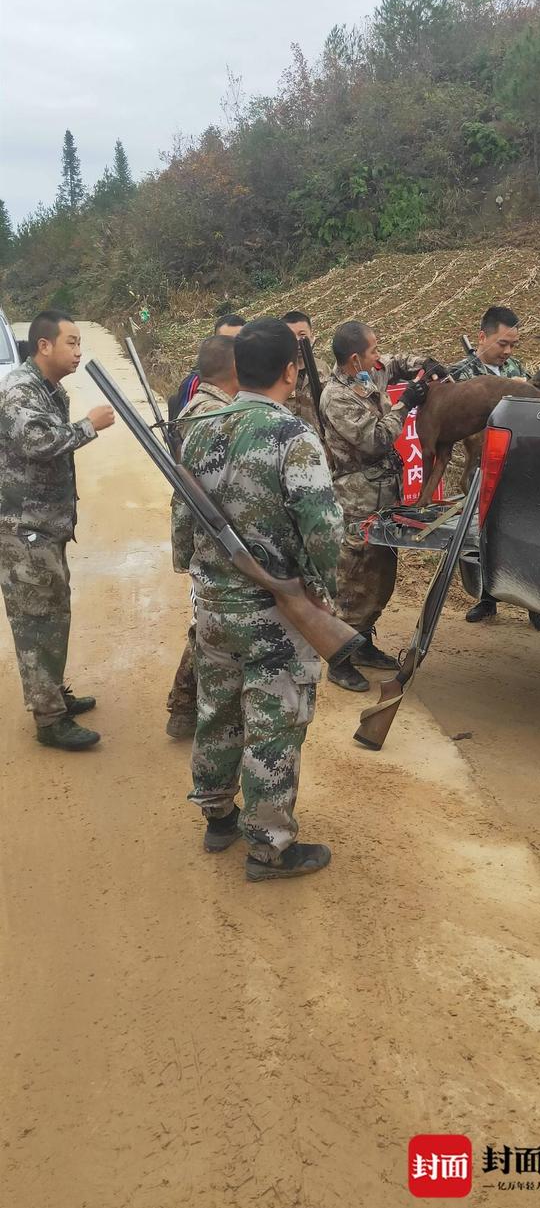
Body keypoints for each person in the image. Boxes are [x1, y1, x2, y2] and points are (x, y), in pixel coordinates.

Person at [172, 318, 343, 881]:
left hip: (214, 607)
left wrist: (196, 572)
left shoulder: (196, 427)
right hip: (275, 612)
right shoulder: (290, 434)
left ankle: (218, 815)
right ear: (292, 371)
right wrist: (320, 591)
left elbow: (182, 520)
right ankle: (270, 848)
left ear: (240, 369)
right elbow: (322, 527)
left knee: (216, 711)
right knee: (273, 724)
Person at [0, 309, 114, 749]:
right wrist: (89, 425)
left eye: (80, 342)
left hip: (45, 528)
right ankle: (49, 719)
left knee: (52, 614)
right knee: (37, 621)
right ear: (44, 345)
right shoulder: (19, 391)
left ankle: (53, 695)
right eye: (71, 342)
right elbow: (38, 443)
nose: (78, 351)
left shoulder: (49, 389)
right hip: (24, 530)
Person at [319, 320, 438, 693]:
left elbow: (397, 361)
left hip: (384, 495)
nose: (379, 356)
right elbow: (376, 439)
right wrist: (405, 405)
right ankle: (339, 659)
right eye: (372, 351)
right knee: (355, 580)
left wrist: (429, 363)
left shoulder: (368, 374)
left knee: (380, 576)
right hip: (357, 500)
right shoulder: (336, 398)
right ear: (354, 359)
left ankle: (363, 645)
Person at [452, 306, 540, 633]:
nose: (508, 352)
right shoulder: (462, 376)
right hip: (480, 469)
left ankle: (534, 604)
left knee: (526, 537)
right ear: (482, 338)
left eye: (513, 345)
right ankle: (486, 597)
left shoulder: (514, 368)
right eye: (502, 344)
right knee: (484, 538)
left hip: (516, 468)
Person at [167, 335, 240, 739]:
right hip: (215, 544)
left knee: (208, 627)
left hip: (209, 541)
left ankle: (183, 709)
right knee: (209, 630)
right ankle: (185, 707)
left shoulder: (206, 410)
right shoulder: (213, 416)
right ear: (235, 370)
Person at [168, 314, 246, 431]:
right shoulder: (195, 382)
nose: (232, 347)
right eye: (224, 341)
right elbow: (180, 430)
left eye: (237, 341)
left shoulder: (252, 379)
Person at [282, 309, 331, 431]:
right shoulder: (278, 374)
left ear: (312, 336)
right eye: (291, 336)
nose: (298, 341)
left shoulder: (323, 368)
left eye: (302, 335)